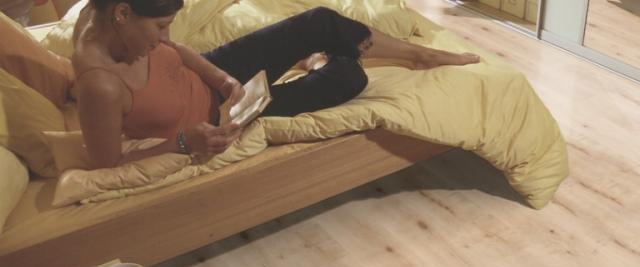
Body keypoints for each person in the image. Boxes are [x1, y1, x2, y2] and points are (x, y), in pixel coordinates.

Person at [72, 0, 480, 169]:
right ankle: (318, 61)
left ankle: (420, 55)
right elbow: (107, 164)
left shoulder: (102, 15)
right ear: (123, 14)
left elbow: (175, 49)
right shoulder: (100, 85)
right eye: (160, 26)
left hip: (214, 74)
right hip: (219, 118)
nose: (164, 36)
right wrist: (184, 143)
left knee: (319, 20)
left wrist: (222, 77)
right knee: (350, 76)